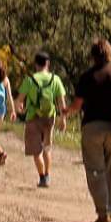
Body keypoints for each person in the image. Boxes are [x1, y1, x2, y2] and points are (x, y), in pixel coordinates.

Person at [67, 39, 111, 222]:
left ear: (93, 55)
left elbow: (77, 105)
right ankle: (110, 206)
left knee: (95, 170)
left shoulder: (87, 77)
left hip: (92, 127)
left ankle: (102, 211)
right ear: (110, 53)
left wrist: (66, 111)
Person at [16, 50, 69, 189]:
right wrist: (63, 119)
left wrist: (19, 108)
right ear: (48, 64)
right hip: (49, 117)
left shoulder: (30, 80)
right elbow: (61, 103)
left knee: (36, 150)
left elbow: (19, 101)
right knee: (47, 147)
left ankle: (42, 177)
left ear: (36, 64)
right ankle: (47, 174)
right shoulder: (55, 79)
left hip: (33, 117)